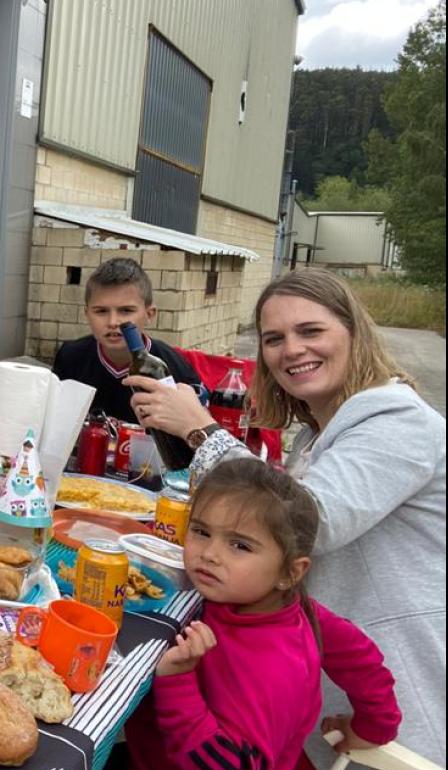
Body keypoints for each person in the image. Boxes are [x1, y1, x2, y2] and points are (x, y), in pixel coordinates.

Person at [127, 269, 445, 764]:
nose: (291, 349)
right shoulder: (317, 434)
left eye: (310, 331)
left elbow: (306, 522)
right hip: (312, 688)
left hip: (396, 683)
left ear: (354, 332)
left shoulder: (398, 421)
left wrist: (199, 429)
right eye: (274, 338)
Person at [126, 459, 401, 769]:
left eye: (240, 545)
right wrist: (374, 725)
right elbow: (361, 659)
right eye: (201, 531)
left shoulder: (275, 668)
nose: (210, 554)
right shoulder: (291, 607)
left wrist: (177, 682)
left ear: (290, 572)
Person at [51, 256, 201, 424]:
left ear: (149, 314)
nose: (113, 322)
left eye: (126, 311)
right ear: (87, 314)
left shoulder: (172, 367)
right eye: (101, 311)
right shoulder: (70, 357)